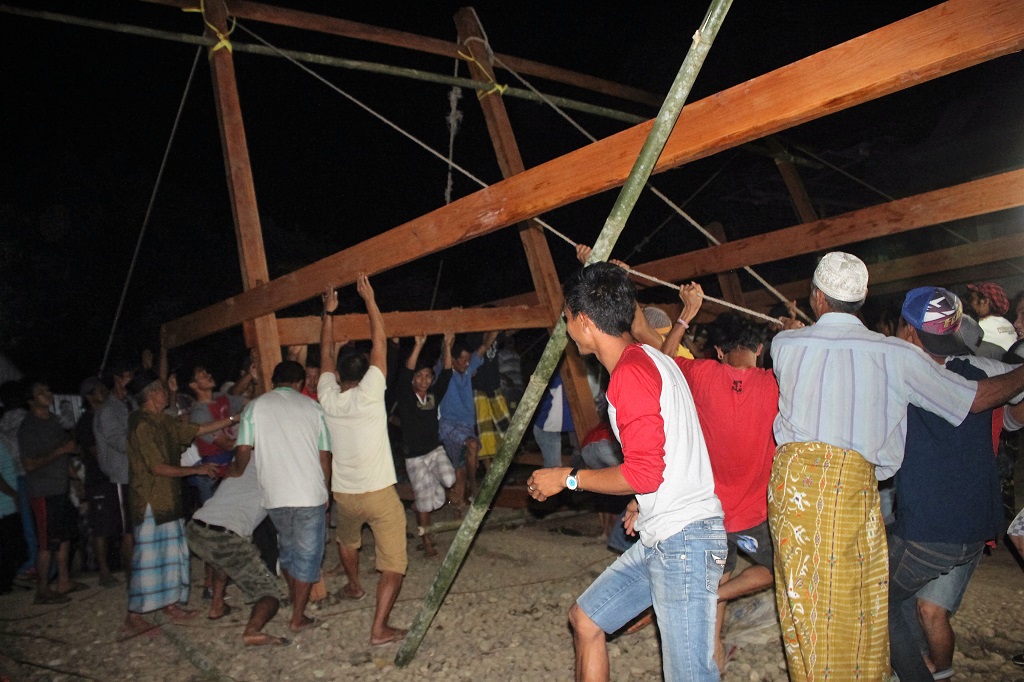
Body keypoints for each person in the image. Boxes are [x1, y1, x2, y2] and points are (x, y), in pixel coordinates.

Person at [768, 252, 1024, 681]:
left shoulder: (784, 345)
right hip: (852, 488)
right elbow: (975, 398)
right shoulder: (896, 356)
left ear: (815, 297)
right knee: (860, 595)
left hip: (795, 490)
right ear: (864, 298)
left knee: (806, 595)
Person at [528, 262, 726, 681]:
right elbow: (665, 454)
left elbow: (644, 472)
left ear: (584, 322)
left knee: (689, 675)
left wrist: (568, 477)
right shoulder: (650, 359)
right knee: (586, 619)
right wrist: (642, 501)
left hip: (684, 541)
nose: (566, 327)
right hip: (664, 533)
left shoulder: (631, 376)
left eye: (567, 318)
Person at [888, 287, 1024, 681]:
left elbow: (983, 403)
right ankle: (925, 668)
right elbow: (1011, 415)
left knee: (876, 598)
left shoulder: (905, 375)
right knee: (915, 602)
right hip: (978, 527)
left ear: (910, 333)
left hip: (934, 532)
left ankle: (914, 674)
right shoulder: (979, 371)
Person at [662, 285, 787, 671]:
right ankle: (719, 597)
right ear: (760, 349)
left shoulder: (701, 374)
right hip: (755, 513)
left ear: (718, 351)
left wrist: (685, 316)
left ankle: (713, 648)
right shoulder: (776, 383)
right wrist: (793, 331)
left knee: (720, 577)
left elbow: (664, 361)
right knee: (779, 570)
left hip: (712, 512)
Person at [318, 275, 408, 646]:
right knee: (394, 563)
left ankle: (354, 586)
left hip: (345, 493)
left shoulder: (327, 397)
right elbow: (380, 344)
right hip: (379, 493)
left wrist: (328, 314)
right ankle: (379, 628)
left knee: (347, 540)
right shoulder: (372, 392)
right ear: (366, 374)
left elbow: (323, 356)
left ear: (338, 376)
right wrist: (370, 300)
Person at [122, 377, 234, 636]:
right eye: (162, 390)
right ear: (151, 394)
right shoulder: (141, 424)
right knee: (148, 558)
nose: (167, 394)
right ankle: (134, 614)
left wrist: (232, 419)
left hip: (169, 497)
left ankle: (170, 604)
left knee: (174, 554)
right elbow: (156, 467)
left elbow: (196, 430)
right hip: (150, 498)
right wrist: (196, 469)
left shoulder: (161, 421)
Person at [231, 360, 331, 634]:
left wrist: (236, 471)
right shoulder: (313, 408)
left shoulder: (254, 408)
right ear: (300, 383)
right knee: (309, 556)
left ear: (274, 382)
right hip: (309, 493)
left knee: (288, 550)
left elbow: (242, 449)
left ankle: (295, 598)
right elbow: (324, 456)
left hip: (275, 494)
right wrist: (327, 489)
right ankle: (298, 616)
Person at [185, 462, 288, 646]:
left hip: (195, 529)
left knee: (221, 558)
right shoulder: (279, 474)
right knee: (269, 592)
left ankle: (217, 606)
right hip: (226, 536)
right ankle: (252, 631)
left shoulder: (245, 462)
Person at [18, 380, 84, 604]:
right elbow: (29, 465)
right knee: (46, 542)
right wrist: (60, 450)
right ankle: (42, 589)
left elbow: (66, 453)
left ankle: (64, 581)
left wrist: (75, 479)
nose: (48, 393)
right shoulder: (29, 427)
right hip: (43, 491)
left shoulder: (54, 421)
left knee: (63, 537)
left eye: (48, 389)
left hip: (61, 487)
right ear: (31, 400)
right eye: (42, 392)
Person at [395, 333, 456, 557]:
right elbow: (404, 374)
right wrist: (418, 345)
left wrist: (447, 347)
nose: (423, 380)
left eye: (428, 376)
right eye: (419, 376)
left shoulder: (431, 396)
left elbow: (447, 374)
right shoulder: (405, 396)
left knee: (450, 480)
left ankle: (425, 499)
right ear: (414, 379)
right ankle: (427, 543)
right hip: (415, 457)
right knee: (424, 503)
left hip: (435, 450)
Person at [436, 330, 497, 506]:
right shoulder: (444, 372)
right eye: (462, 359)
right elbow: (443, 355)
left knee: (461, 468)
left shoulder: (468, 369)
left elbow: (485, 346)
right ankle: (474, 485)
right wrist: (448, 340)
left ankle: (459, 505)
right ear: (453, 360)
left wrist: (496, 326)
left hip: (466, 426)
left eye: (467, 359)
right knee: (472, 445)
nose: (466, 362)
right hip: (448, 425)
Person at [76, 376, 121, 587]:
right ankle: (103, 571)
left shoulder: (107, 414)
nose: (103, 391)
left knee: (115, 525)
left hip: (113, 476)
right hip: (99, 479)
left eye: (103, 387)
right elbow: (96, 453)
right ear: (89, 396)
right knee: (101, 526)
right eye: (98, 389)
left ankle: (115, 566)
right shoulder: (86, 421)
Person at [93, 363, 136, 582]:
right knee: (128, 530)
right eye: (127, 375)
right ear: (117, 379)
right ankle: (131, 582)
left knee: (137, 527)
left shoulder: (129, 403)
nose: (131, 379)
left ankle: (138, 577)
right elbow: (120, 443)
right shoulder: (107, 410)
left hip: (136, 473)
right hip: (122, 476)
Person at [966, 281, 1016, 351]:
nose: (970, 302)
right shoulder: (1008, 324)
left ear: (985, 302)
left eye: (972, 299)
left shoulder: (979, 327)